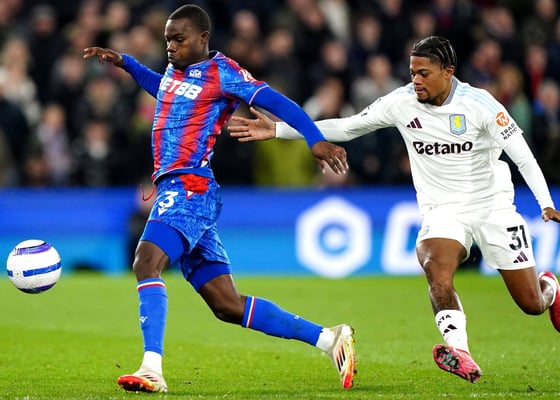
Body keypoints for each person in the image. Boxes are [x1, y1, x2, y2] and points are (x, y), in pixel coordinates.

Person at [229, 35, 560, 383]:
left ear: (448, 72)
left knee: (531, 303)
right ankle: (459, 351)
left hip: (492, 207)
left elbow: (523, 156)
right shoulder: (401, 102)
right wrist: (279, 130)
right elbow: (348, 126)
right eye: (413, 72)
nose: (416, 80)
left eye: (424, 73)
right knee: (435, 268)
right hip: (442, 210)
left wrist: (546, 204)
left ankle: (550, 289)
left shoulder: (480, 104)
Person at [83, 4, 355, 393]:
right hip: (181, 190)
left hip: (190, 187)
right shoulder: (174, 72)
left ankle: (151, 368)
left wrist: (314, 139)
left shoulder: (224, 72)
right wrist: (126, 63)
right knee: (227, 305)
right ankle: (329, 339)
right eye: (167, 40)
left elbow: (277, 102)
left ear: (203, 38)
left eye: (179, 39)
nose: (170, 47)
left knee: (146, 262)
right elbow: (162, 89)